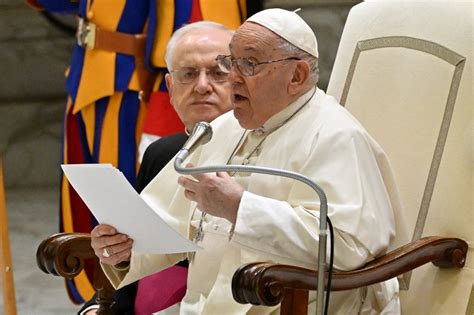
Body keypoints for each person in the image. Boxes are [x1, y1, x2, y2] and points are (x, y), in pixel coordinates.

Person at [91, 8, 402, 314]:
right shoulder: (226, 128)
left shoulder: (337, 137)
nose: (233, 79)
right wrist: (125, 246)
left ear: (297, 75)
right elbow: (169, 220)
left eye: (249, 64)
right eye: (231, 62)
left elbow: (348, 247)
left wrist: (241, 208)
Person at [81, 21, 234, 315]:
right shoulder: (162, 152)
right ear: (170, 87)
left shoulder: (263, 151)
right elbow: (136, 253)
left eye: (218, 73)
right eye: (189, 74)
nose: (203, 86)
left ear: (240, 81)